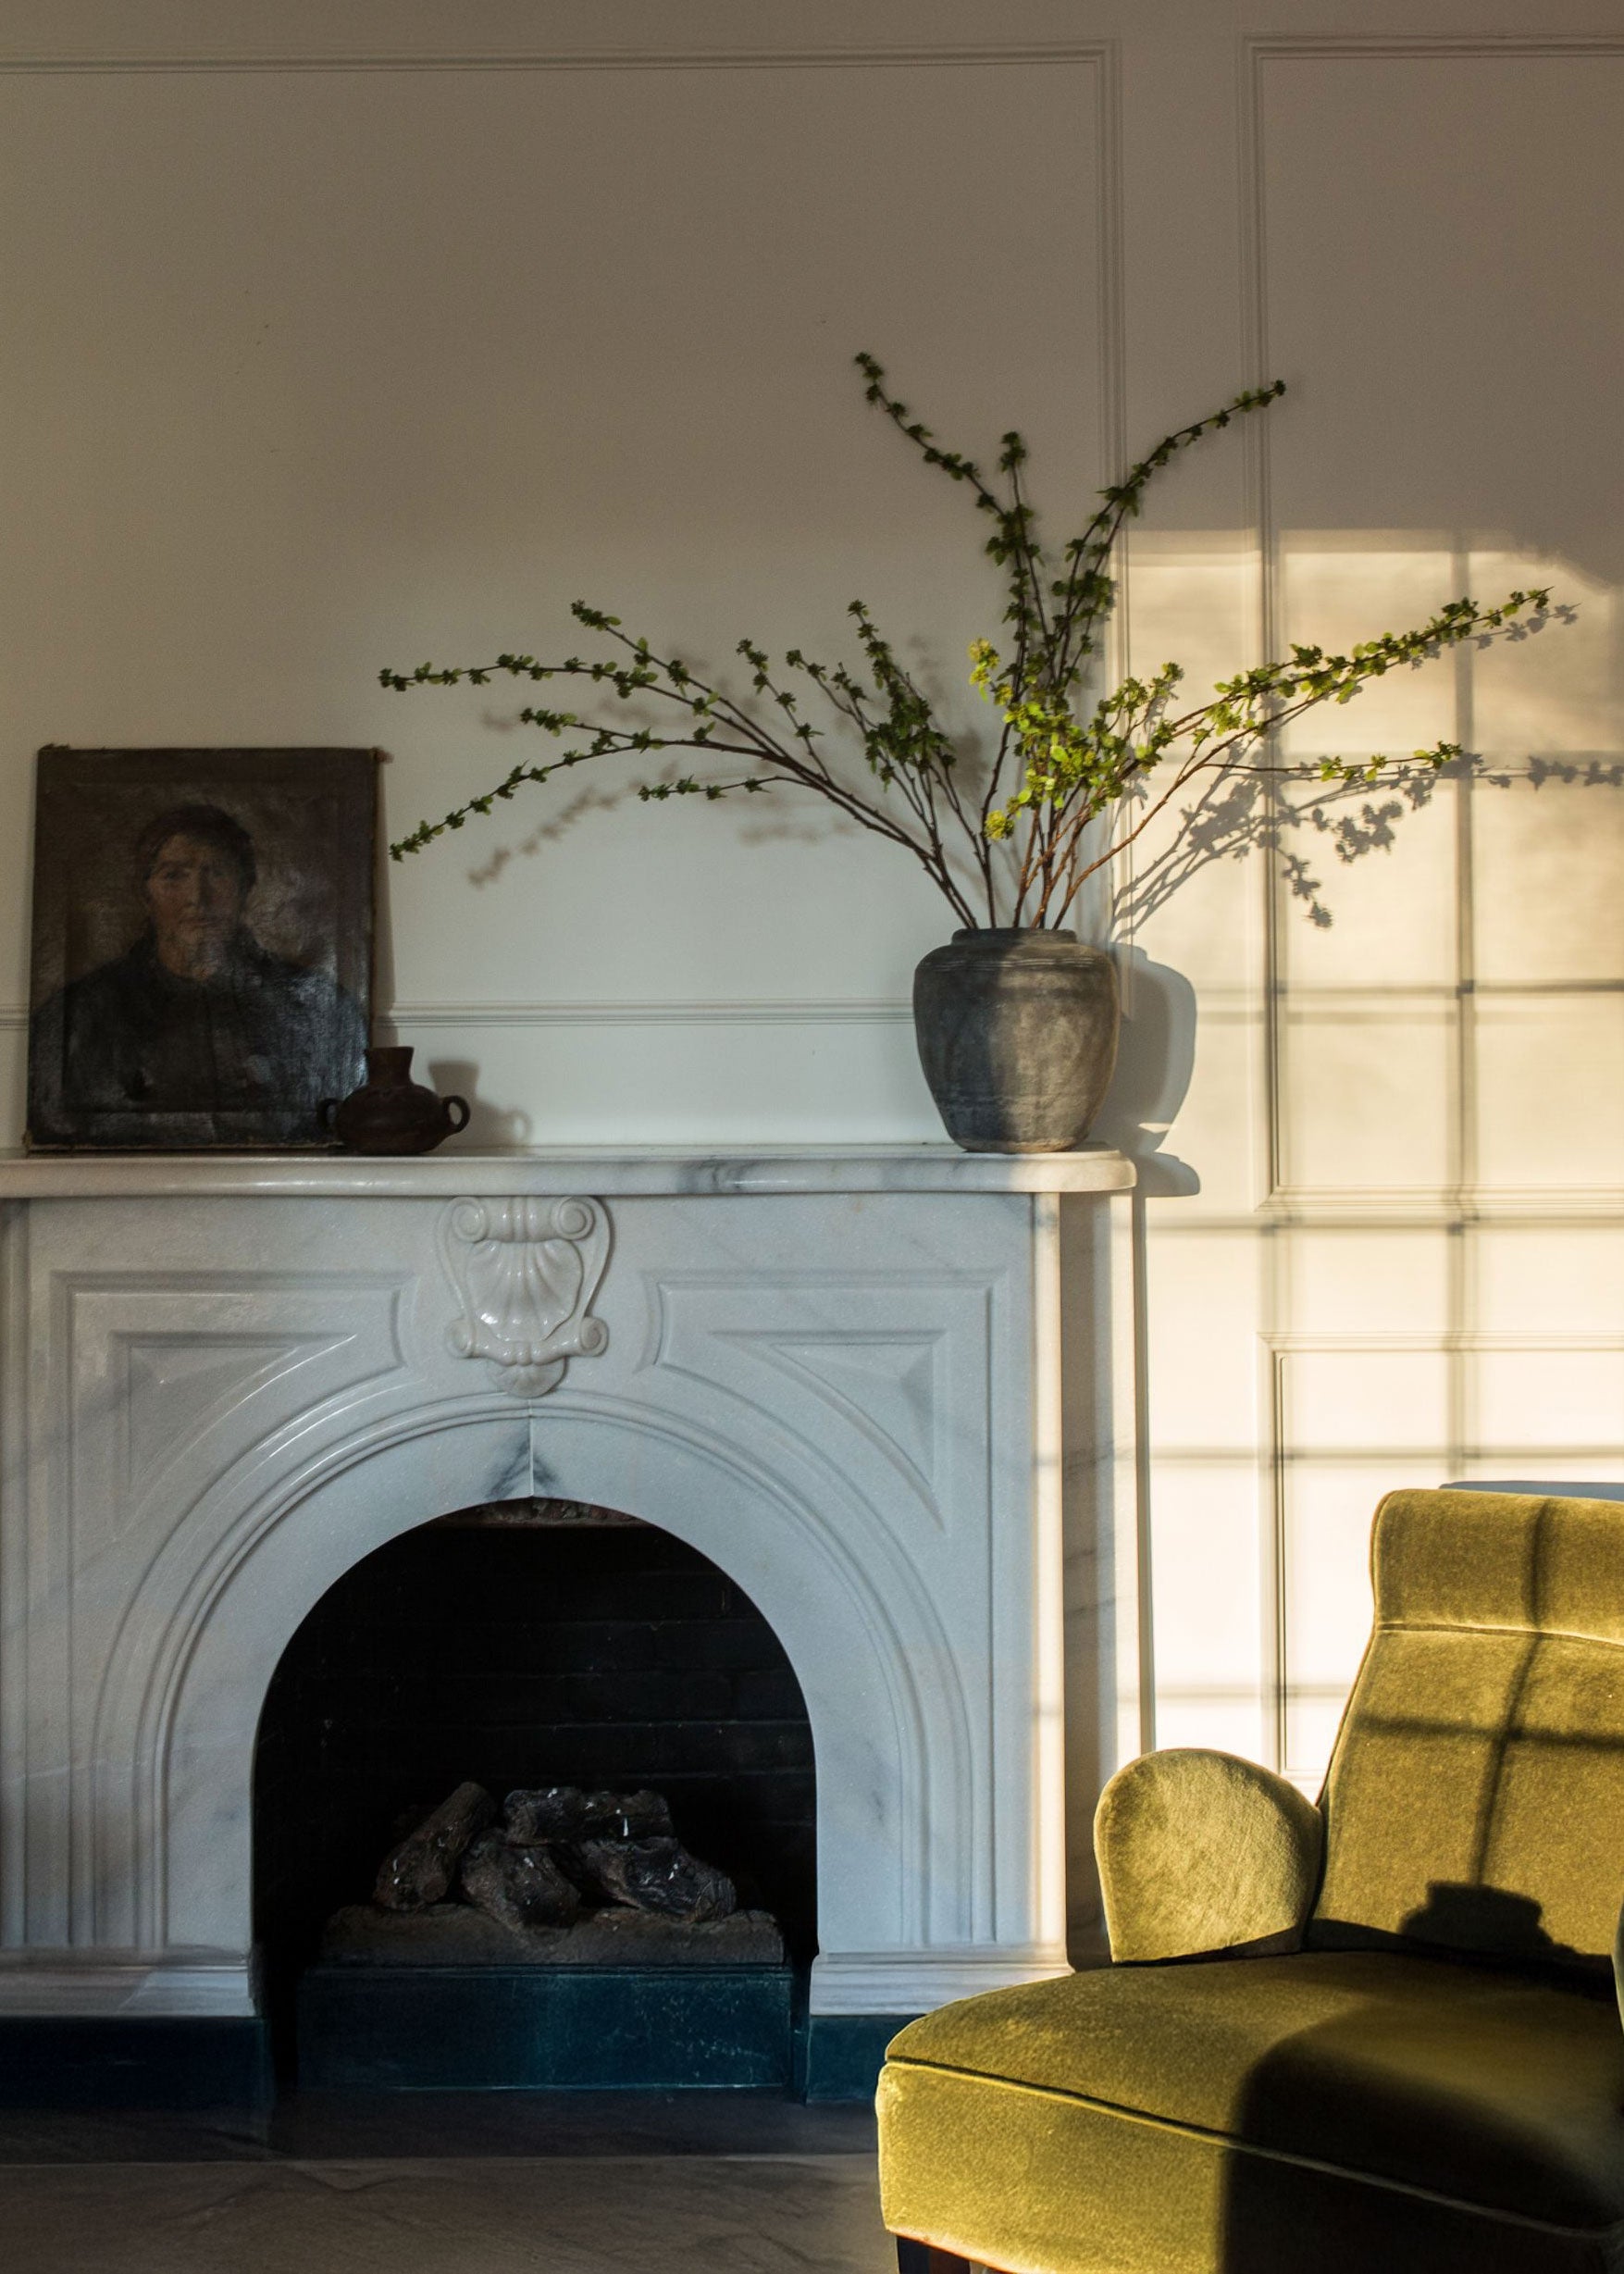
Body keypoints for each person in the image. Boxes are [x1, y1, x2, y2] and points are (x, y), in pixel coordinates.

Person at [32, 803, 366, 1129]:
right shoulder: (79, 1013)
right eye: (174, 876)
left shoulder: (319, 1008)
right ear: (145, 894)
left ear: (245, 886)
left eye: (217, 872)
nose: (198, 896)